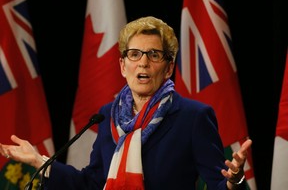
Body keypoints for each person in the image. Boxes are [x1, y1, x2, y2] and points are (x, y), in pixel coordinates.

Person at [0, 16, 252, 190]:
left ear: (168, 68)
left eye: (154, 55)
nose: (143, 62)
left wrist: (235, 180)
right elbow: (92, 182)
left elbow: (219, 183)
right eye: (134, 54)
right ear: (123, 65)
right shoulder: (107, 115)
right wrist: (39, 161)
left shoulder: (193, 117)